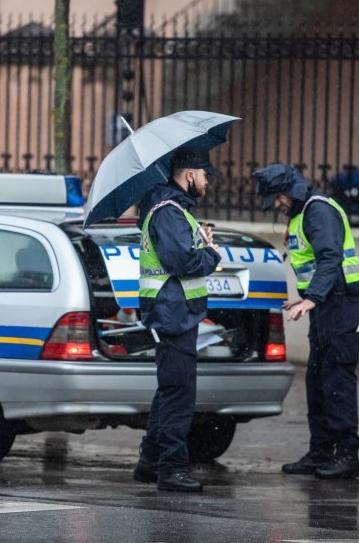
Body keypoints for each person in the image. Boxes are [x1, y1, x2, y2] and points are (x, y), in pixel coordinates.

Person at [252, 163, 359, 480]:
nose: (275, 205)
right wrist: (307, 298)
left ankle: (345, 454)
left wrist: (312, 297)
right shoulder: (301, 215)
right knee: (317, 381)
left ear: (290, 191)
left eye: (277, 198)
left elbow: (330, 258)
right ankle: (321, 450)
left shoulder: (319, 212)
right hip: (323, 305)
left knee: (337, 380)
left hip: (340, 305)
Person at [132, 147, 222, 492]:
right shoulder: (168, 212)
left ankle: (150, 461)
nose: (206, 182)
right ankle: (171, 469)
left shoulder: (173, 210)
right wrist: (210, 254)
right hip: (173, 314)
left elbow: (181, 256)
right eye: (204, 176)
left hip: (176, 312)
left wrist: (200, 244)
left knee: (170, 390)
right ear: (189, 176)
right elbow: (181, 264)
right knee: (179, 394)